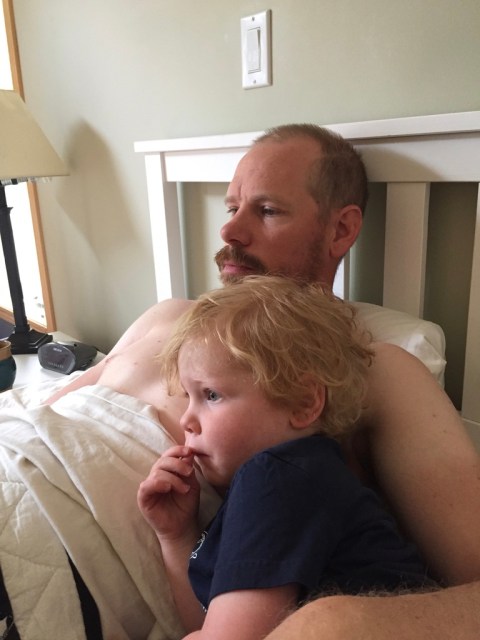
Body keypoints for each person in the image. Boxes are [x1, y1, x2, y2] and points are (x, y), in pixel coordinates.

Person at [47, 124, 480, 638]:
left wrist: (333, 624)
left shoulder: (369, 369)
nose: (229, 231)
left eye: (268, 210)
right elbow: (44, 414)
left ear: (340, 230)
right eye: (232, 208)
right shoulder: (167, 317)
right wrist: (177, 537)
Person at [137, 275, 436, 640]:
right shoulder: (281, 480)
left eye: (211, 395)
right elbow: (204, 622)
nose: (186, 420)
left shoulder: (278, 478)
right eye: (188, 397)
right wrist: (176, 535)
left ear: (304, 402)